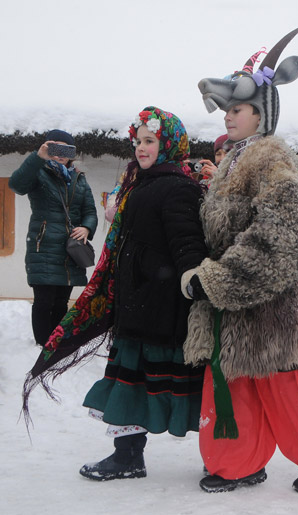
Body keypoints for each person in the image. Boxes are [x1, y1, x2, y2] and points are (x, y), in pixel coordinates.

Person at [184, 26, 298, 495]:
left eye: (237, 109)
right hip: (230, 304)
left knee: (288, 391)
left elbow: (284, 236)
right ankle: (237, 464)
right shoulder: (231, 162)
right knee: (234, 390)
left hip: (274, 305)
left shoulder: (273, 159)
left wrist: (222, 278)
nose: (228, 117)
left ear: (261, 113)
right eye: (225, 110)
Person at [22, 107, 208, 481]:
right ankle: (127, 457)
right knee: (130, 383)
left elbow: (187, 242)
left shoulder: (177, 186)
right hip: (136, 304)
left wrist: (195, 278)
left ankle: (219, 458)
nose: (141, 147)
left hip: (162, 309)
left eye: (150, 141)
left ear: (168, 144)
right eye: (138, 141)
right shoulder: (142, 180)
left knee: (183, 388)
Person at [9, 129, 98, 346]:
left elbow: (90, 211)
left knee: (61, 301)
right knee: (44, 300)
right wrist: (38, 157)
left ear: (72, 152)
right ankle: (42, 345)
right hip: (44, 246)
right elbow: (16, 185)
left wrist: (86, 228)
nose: (59, 153)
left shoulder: (79, 178)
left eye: (64, 148)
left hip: (70, 249)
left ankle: (56, 342)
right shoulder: (38, 172)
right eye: (54, 147)